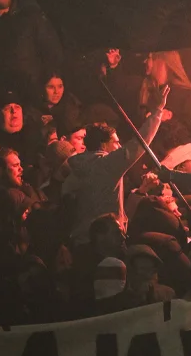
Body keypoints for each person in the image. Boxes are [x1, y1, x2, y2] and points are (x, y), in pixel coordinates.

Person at [62, 85, 168, 242]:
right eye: (116, 142)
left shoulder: (76, 169)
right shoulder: (107, 165)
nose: (119, 147)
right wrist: (158, 111)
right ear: (103, 145)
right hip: (106, 240)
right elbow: (140, 142)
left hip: (80, 240)